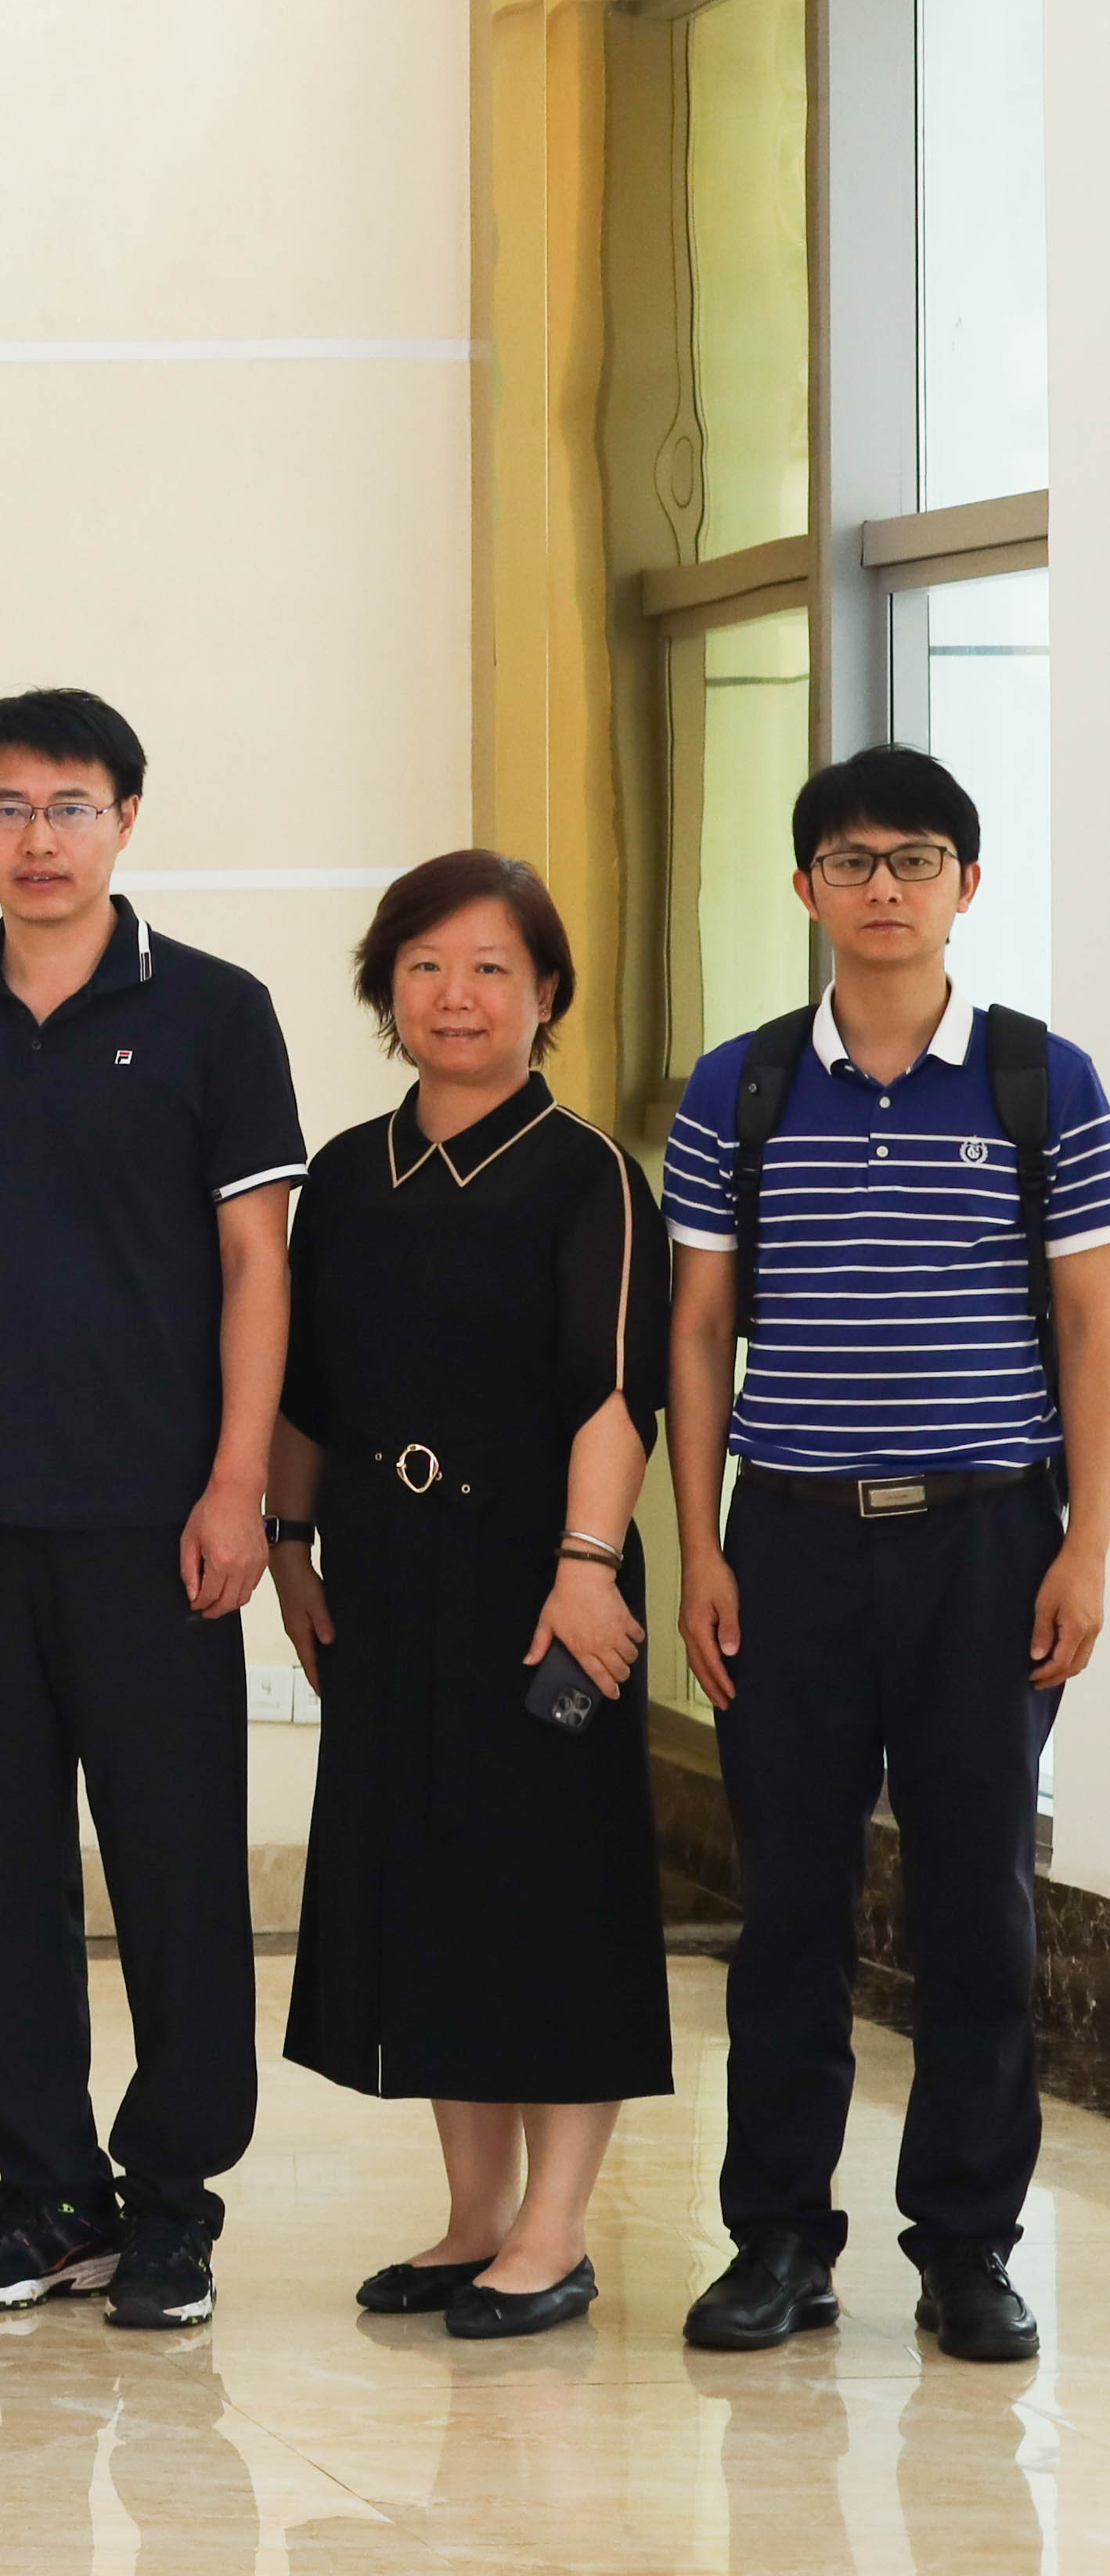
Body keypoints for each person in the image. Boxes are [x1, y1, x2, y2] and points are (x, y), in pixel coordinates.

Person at [0, 689, 303, 2330]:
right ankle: (45, 2197)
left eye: (70, 806)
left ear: (125, 818)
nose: (38, 838)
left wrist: (237, 1483)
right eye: (7, 807)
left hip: (156, 1515)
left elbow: (257, 1264)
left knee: (175, 1867)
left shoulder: (214, 1010)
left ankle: (174, 2202)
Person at [665, 746, 1108, 2364]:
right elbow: (697, 1329)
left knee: (978, 1904)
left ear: (965, 884)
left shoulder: (1042, 1083)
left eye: (915, 859)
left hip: (990, 1542)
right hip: (786, 1543)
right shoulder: (740, 1087)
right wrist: (697, 1547)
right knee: (789, 1902)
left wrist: (1089, 1546)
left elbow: (1090, 1323)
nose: (882, 887)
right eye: (850, 860)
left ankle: (967, 2246)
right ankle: (779, 2239)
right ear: (804, 887)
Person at [265, 851, 669, 2344]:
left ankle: (552, 2233)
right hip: (383, 1571)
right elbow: (305, 1387)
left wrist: (585, 1567)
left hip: (538, 1580)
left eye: (491, 967)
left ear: (544, 993)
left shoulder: (587, 1173)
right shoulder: (342, 1176)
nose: (456, 994)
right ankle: (472, 2216)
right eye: (426, 965)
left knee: (551, 1894)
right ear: (386, 987)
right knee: (427, 1883)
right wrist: (289, 1548)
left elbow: (615, 1394)